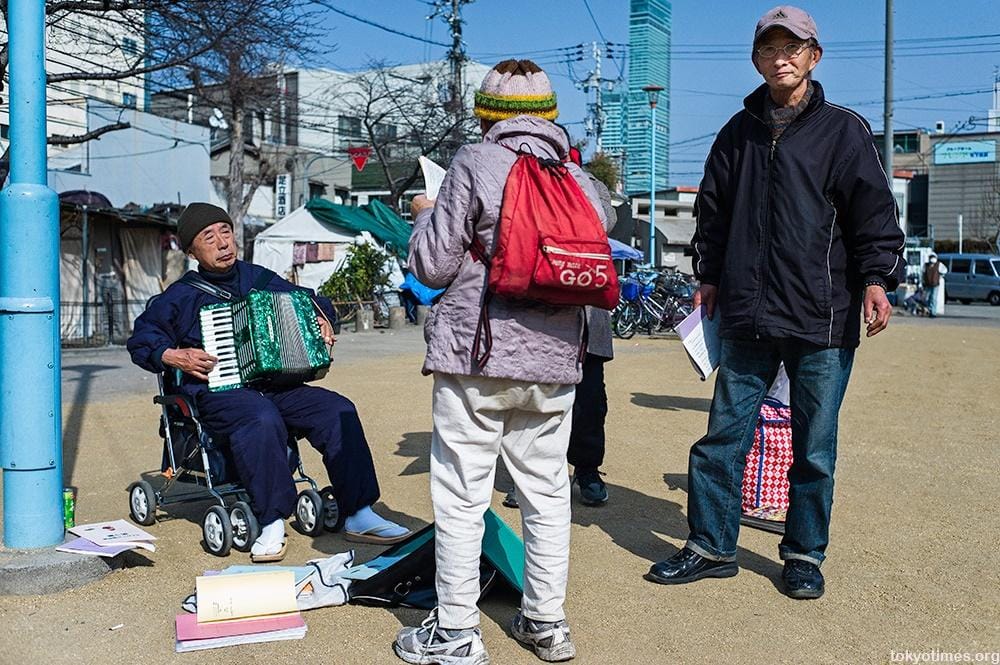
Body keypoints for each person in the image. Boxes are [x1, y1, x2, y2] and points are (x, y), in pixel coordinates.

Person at [644, 6, 905, 600]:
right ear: (756, 59)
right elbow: (712, 209)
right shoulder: (738, 132)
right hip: (747, 313)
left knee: (814, 445)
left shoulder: (844, 130)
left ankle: (804, 554)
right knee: (721, 438)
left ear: (815, 56)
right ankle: (711, 546)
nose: (780, 58)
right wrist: (708, 274)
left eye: (794, 48)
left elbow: (874, 214)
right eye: (769, 49)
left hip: (822, 314)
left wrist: (875, 278)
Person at [393, 60, 609, 664]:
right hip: (556, 361)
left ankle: (456, 632)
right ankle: (545, 622)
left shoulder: (475, 162)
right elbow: (602, 230)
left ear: (487, 114)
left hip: (478, 355)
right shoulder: (577, 176)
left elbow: (432, 267)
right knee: (545, 492)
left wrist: (423, 218)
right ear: (549, 115)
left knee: (464, 494)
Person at [127, 203, 410, 562]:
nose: (222, 243)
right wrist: (172, 355)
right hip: (220, 391)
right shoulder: (179, 297)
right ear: (191, 251)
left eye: (226, 232)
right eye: (208, 237)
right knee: (259, 416)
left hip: (276, 386)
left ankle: (359, 512)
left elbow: (310, 300)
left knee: (336, 409)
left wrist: (322, 318)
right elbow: (141, 341)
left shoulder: (258, 278)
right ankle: (272, 517)